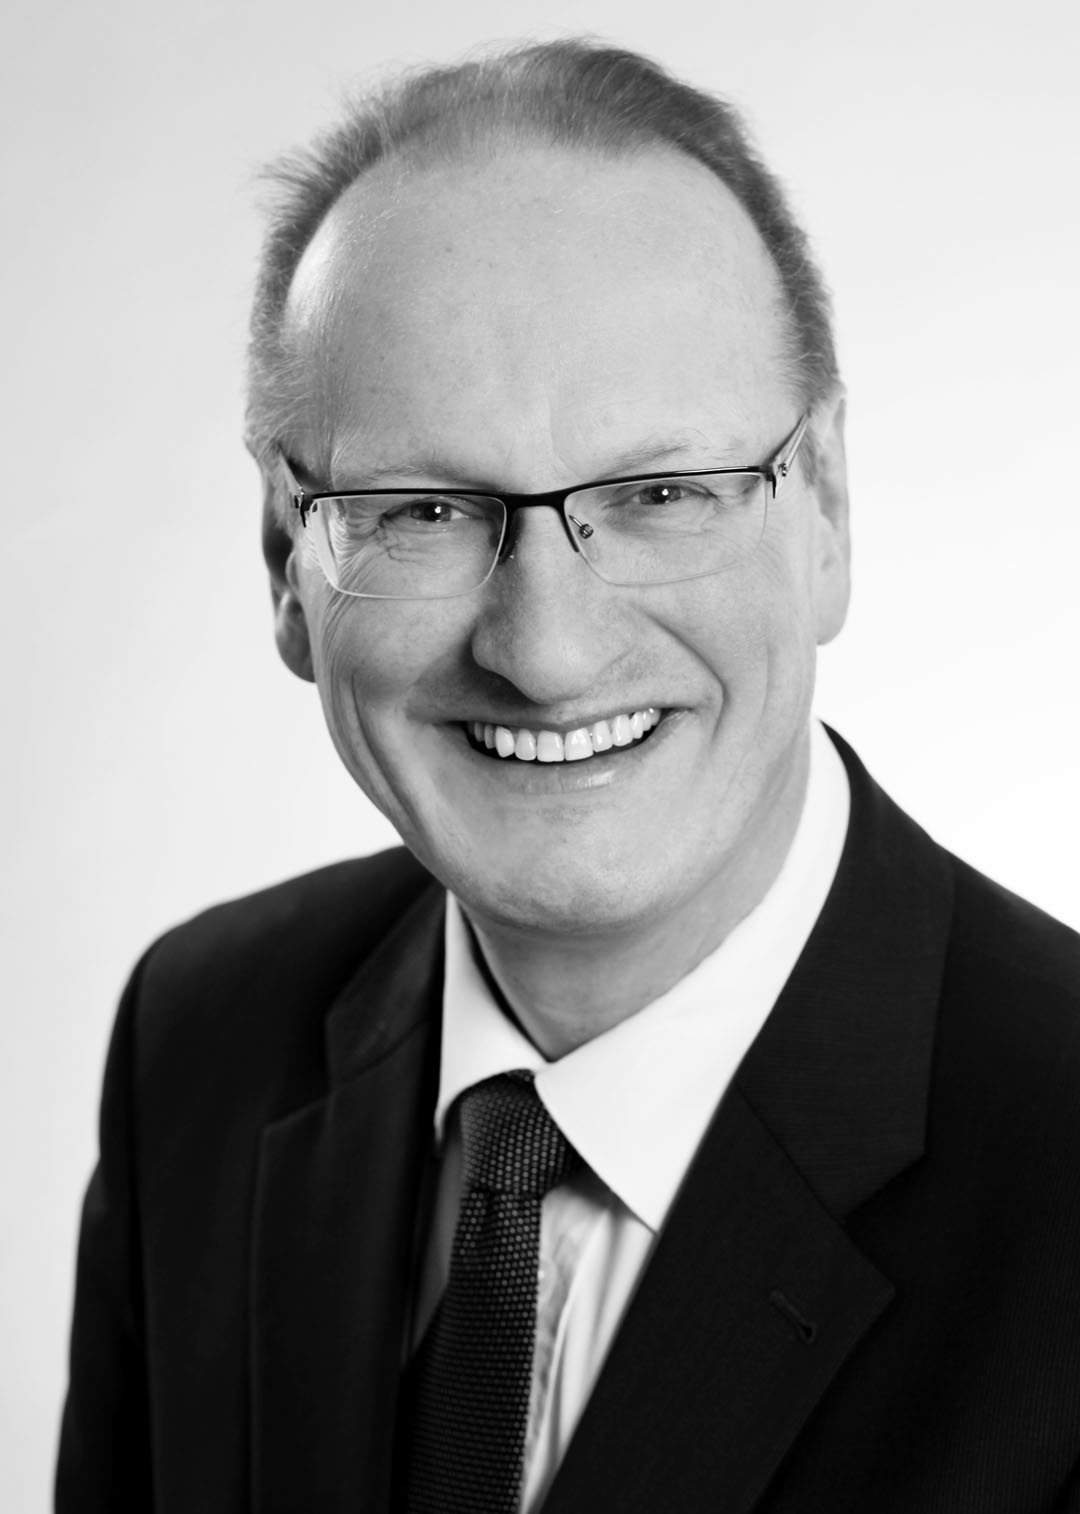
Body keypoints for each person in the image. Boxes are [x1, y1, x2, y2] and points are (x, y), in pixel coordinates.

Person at [56, 38, 1080, 1514]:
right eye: (424, 509)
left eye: (660, 492)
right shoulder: (202, 1047)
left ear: (827, 510)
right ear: (289, 564)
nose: (545, 651)